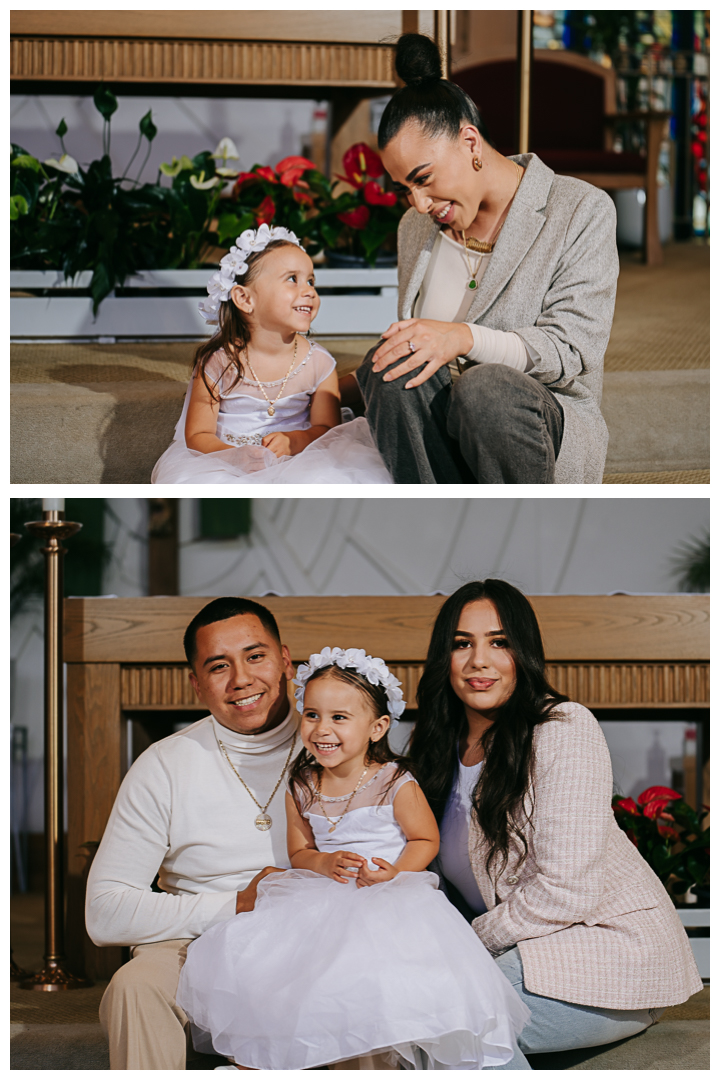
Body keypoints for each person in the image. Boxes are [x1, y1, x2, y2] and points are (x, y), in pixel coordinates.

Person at [176, 647, 530, 1070]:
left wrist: (395, 871)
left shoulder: (393, 782)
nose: (322, 729)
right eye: (312, 715)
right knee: (287, 979)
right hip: (322, 900)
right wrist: (323, 863)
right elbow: (300, 850)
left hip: (389, 900)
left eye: (339, 718)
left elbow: (424, 839)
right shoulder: (302, 785)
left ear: (377, 727)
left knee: (368, 987)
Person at [408, 580, 703, 1069]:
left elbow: (567, 888)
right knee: (398, 1009)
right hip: (522, 955)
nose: (479, 659)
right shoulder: (435, 748)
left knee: (450, 1021)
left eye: (499, 642)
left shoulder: (562, 729)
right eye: (463, 643)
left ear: (524, 653)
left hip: (606, 955)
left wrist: (468, 944)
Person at [351, 34, 619, 484]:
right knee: (388, 366)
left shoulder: (580, 210)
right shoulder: (414, 228)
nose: (418, 204)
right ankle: (441, 521)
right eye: (405, 189)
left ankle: (530, 532)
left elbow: (572, 351)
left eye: (424, 178)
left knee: (486, 389)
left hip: (531, 427)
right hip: (437, 444)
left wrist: (463, 338)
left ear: (470, 143)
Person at [86, 598, 301, 1069]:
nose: (241, 679)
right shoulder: (166, 763)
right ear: (197, 683)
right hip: (190, 942)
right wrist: (234, 905)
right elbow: (104, 913)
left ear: (286, 660)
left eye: (256, 656)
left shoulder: (332, 740)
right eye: (219, 666)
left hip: (307, 933)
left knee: (371, 982)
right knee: (133, 987)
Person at [151, 223, 392, 484]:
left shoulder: (319, 364)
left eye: (311, 281)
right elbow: (198, 434)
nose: (309, 290)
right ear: (244, 299)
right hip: (224, 458)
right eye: (292, 279)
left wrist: (294, 441)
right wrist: (234, 457)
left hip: (298, 459)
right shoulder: (218, 362)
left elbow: (326, 431)